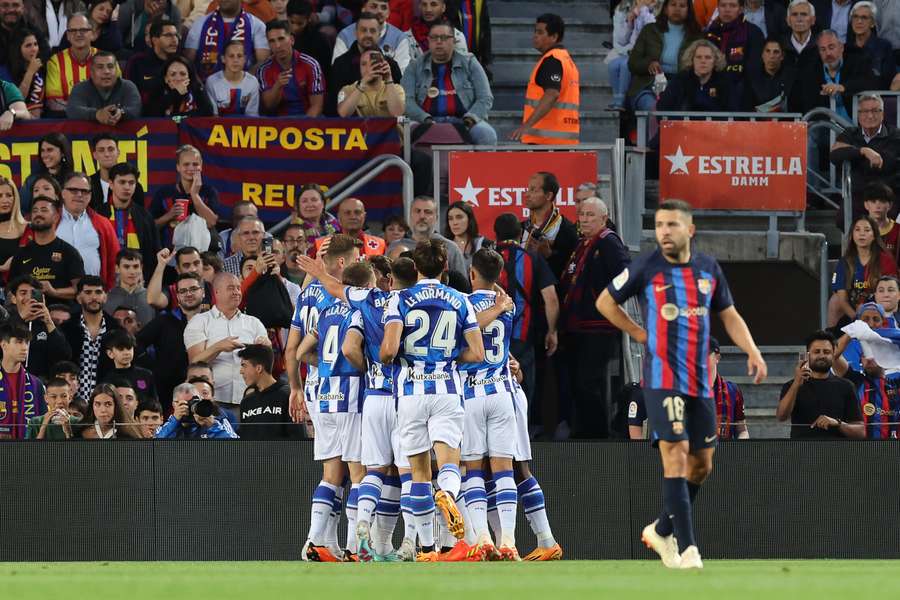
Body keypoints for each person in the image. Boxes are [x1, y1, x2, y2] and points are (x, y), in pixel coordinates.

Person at [596, 198, 767, 569]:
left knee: (702, 464)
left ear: (690, 229)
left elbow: (730, 314)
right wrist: (639, 333)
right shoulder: (645, 266)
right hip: (662, 378)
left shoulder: (707, 268)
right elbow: (605, 303)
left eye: (672, 225)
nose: (664, 232)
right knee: (676, 454)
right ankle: (688, 548)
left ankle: (661, 528)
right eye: (659, 225)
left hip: (699, 382)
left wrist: (752, 351)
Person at [379, 239, 485, 562]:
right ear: (445, 269)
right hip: (446, 389)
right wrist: (451, 359)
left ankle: (426, 548)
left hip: (411, 390)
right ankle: (449, 493)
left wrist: (394, 359)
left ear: (414, 268)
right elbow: (477, 353)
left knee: (418, 474)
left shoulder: (399, 299)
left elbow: (388, 350)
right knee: (450, 463)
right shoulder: (460, 300)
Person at [286, 235, 361, 562]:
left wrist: (295, 387)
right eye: (357, 257)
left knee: (333, 471)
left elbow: (293, 349)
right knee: (358, 471)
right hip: (350, 389)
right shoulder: (347, 297)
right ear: (342, 263)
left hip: (318, 390)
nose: (361, 263)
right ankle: (358, 546)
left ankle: (319, 541)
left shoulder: (307, 295)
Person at [457, 248, 521, 560]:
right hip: (501, 393)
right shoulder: (508, 304)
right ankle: (508, 538)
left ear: (471, 273)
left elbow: (463, 336)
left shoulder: (464, 305)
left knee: (473, 470)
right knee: (503, 467)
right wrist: (499, 301)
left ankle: (483, 536)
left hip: (470, 394)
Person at [558, 197, 630, 439]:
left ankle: (597, 435)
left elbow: (625, 276)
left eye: (591, 215)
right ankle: (583, 431)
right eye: (582, 214)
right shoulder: (583, 243)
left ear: (604, 217)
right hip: (577, 325)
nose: (585, 219)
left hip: (598, 325)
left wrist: (603, 299)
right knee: (577, 382)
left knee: (588, 382)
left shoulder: (608, 242)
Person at [492, 213, 560, 414]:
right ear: (520, 233)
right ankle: (523, 435)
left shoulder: (485, 260)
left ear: (495, 234)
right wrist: (552, 331)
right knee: (523, 388)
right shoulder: (532, 258)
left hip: (490, 336)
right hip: (522, 335)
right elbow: (551, 299)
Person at [184, 272, 270, 413]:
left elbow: (266, 363)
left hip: (250, 399)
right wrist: (218, 347)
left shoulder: (254, 323)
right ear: (216, 292)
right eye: (231, 288)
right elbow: (195, 363)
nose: (236, 292)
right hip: (213, 401)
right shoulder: (199, 322)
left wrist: (266, 346)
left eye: (238, 288)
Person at [400, 21, 497, 146]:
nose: (439, 41)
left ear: (454, 41)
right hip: (424, 120)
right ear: (428, 41)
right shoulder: (414, 66)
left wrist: (470, 119)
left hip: (465, 120)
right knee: (404, 133)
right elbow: (406, 100)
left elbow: (485, 98)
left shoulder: (469, 62)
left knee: (487, 134)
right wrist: (425, 119)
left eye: (444, 37)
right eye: (434, 38)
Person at [776, 329, 865, 438]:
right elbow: (781, 416)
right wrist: (796, 383)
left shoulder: (846, 386)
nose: (822, 355)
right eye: (816, 351)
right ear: (807, 355)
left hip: (837, 452)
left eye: (826, 352)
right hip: (801, 451)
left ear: (833, 355)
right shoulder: (791, 385)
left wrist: (837, 423)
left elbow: (861, 432)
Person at [137, 272, 204, 411]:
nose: (188, 294)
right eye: (183, 291)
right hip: (167, 394)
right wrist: (155, 368)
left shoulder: (213, 320)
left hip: (204, 389)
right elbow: (137, 343)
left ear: (202, 292)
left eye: (193, 289)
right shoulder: (165, 320)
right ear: (178, 297)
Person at [510, 14, 579, 145]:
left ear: (554, 37)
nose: (535, 36)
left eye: (540, 32)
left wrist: (527, 125)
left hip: (545, 141)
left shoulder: (552, 60)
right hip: (565, 140)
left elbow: (552, 94)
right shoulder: (566, 59)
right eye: (535, 31)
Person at [628, 0, 703, 117]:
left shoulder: (697, 35)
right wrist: (649, 64)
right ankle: (655, 136)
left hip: (682, 87)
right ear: (665, 8)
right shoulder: (650, 30)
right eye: (673, 4)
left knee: (683, 110)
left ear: (689, 11)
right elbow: (632, 63)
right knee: (653, 108)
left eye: (682, 6)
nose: (677, 9)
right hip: (648, 85)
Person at [831, 94, 900, 213]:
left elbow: (887, 162)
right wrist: (864, 151)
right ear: (858, 115)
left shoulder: (895, 135)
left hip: (886, 194)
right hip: (858, 195)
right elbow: (835, 155)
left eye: (875, 111)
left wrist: (853, 155)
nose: (870, 115)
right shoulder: (850, 133)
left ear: (882, 114)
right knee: (842, 218)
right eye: (864, 111)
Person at [9, 196, 84, 303]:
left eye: (44, 210)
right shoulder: (21, 254)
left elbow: (81, 291)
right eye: (35, 211)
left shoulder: (69, 253)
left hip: (61, 316)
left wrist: (54, 292)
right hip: (28, 315)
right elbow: (11, 290)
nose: (38, 214)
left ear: (56, 217)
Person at [326, 12, 402, 116]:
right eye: (363, 30)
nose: (368, 35)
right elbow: (333, 106)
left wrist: (388, 79)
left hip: (386, 128)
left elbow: (400, 111)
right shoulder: (341, 64)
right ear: (355, 33)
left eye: (372, 31)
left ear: (379, 34)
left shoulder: (390, 65)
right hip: (350, 127)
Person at [790, 29, 877, 118]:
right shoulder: (810, 71)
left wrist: (843, 87)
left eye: (831, 47)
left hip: (854, 125)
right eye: (823, 49)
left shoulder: (857, 62)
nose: (828, 53)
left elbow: (868, 82)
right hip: (822, 126)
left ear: (841, 48)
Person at [829, 214, 898, 326]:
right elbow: (842, 299)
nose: (862, 234)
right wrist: (857, 318)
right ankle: (831, 339)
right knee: (835, 300)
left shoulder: (886, 260)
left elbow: (892, 291)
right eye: (857, 230)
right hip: (854, 310)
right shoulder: (845, 262)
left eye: (867, 230)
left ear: (874, 235)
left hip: (880, 307)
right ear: (852, 235)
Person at [61, 276, 123, 400]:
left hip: (105, 403)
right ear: (78, 298)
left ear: (105, 296)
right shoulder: (66, 329)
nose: (94, 297)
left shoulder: (116, 330)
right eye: (88, 292)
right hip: (72, 401)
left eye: (98, 292)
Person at [56, 172, 120, 290]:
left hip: (93, 297)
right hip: (56, 294)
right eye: (73, 190)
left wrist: (108, 292)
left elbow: (114, 261)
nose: (79, 195)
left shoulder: (103, 224)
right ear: (63, 193)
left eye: (85, 191)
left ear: (90, 196)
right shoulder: (50, 221)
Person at [150, 144, 220, 248]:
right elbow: (150, 226)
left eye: (195, 164)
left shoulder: (209, 192)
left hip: (203, 253)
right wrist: (169, 215)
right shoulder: (164, 193)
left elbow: (211, 222)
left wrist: (195, 195)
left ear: (201, 166)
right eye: (186, 164)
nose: (191, 168)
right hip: (171, 253)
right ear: (178, 167)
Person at [5, 274, 72, 379]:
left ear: (42, 297)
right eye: (23, 293)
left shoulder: (47, 323)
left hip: (39, 384)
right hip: (7, 380)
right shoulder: (6, 320)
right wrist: (21, 318)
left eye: (33, 293)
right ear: (14, 298)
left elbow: (64, 355)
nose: (28, 298)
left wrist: (48, 321)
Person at [387, 195, 468, 282]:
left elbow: (462, 286)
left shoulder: (451, 248)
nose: (422, 216)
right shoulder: (395, 247)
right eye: (417, 211)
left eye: (427, 212)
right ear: (410, 215)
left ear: (436, 217)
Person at [183, 0, 270, 81]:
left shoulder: (256, 24)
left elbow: (262, 62)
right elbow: (188, 61)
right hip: (205, 87)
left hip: (243, 87)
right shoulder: (200, 23)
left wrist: (243, 82)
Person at [103, 163, 160, 280]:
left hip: (138, 283)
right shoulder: (98, 214)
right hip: (106, 281)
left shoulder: (145, 217)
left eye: (131, 183)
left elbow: (154, 254)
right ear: (111, 184)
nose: (127, 187)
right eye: (122, 182)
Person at [257, 19, 324, 116]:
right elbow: (269, 106)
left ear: (291, 40)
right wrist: (278, 85)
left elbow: (317, 106)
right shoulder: (263, 70)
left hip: (308, 123)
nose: (277, 45)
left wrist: (301, 128)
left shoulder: (311, 65)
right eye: (272, 41)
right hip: (278, 125)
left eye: (281, 39)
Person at [44, 14, 107, 116]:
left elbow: (116, 96)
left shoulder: (107, 60)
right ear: (67, 36)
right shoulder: (55, 62)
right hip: (68, 123)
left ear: (92, 34)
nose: (78, 34)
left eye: (83, 30)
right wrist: (90, 113)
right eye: (73, 31)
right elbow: (53, 102)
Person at [521, 171, 578, 280]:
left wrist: (549, 255)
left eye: (533, 190)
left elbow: (570, 274)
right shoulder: (522, 227)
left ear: (548, 195)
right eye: (528, 189)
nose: (527, 194)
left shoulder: (567, 230)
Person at [238, 343, 301, 439]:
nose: (241, 371)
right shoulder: (246, 402)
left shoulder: (288, 396)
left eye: (244, 365)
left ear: (259, 368)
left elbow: (299, 438)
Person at [703, 0, 765, 95]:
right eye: (723, 5)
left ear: (741, 9)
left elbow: (755, 69)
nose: (727, 10)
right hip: (712, 90)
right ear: (718, 8)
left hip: (742, 90)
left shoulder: (753, 32)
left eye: (732, 6)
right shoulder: (709, 33)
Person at [657, 38, 736, 111]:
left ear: (715, 60)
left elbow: (732, 112)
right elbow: (662, 108)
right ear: (692, 59)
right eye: (698, 57)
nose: (703, 61)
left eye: (708, 57)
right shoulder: (680, 80)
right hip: (683, 125)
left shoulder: (724, 82)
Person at [607, 0, 659, 111]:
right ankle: (617, 100)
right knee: (613, 65)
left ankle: (622, 101)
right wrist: (629, 22)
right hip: (630, 51)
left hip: (648, 52)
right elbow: (622, 40)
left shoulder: (656, 10)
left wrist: (643, 11)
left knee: (626, 65)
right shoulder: (625, 8)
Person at [65, 50, 142, 123]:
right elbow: (72, 110)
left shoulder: (128, 86)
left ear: (116, 70)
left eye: (110, 66)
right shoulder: (80, 88)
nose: (106, 71)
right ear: (91, 72)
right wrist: (97, 114)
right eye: (100, 67)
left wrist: (121, 113)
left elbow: (136, 109)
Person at [332, 0, 410, 72]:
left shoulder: (399, 38)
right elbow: (338, 71)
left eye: (383, 8)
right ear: (363, 9)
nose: (379, 11)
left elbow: (403, 75)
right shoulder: (345, 35)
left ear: (388, 13)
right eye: (374, 6)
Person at [0, 323, 46, 439]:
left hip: (27, 451)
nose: (25, 347)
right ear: (4, 345)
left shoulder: (36, 384)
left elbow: (43, 421)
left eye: (26, 342)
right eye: (19, 342)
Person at [124, 17, 181, 103]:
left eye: (176, 35)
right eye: (168, 35)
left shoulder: (182, 63)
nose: (174, 40)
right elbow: (129, 95)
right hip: (147, 114)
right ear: (154, 40)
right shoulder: (137, 62)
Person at [336, 47, 403, 119]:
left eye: (373, 63)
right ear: (359, 68)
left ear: (383, 64)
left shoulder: (396, 89)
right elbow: (343, 114)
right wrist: (363, 83)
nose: (368, 68)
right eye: (364, 64)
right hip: (362, 130)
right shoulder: (347, 90)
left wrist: (388, 79)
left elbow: (397, 113)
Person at [155, 382, 238, 438]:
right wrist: (174, 420)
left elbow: (236, 447)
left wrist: (212, 426)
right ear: (174, 405)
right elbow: (154, 445)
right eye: (185, 403)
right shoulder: (169, 425)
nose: (191, 407)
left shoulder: (216, 420)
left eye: (193, 402)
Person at [88, 133, 146, 214]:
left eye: (111, 149)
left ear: (118, 152)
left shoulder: (135, 187)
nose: (107, 154)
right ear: (94, 155)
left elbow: (140, 217)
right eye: (101, 150)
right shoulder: (88, 184)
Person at [145, 55, 215, 117]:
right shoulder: (157, 90)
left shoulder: (197, 89)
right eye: (173, 74)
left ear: (189, 77)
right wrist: (175, 93)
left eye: (183, 74)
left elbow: (208, 113)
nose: (178, 78)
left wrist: (175, 117)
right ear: (166, 79)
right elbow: (150, 114)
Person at [845, 2, 896, 88]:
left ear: (872, 23)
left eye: (864, 17)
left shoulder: (884, 47)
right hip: (850, 99)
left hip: (878, 97)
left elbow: (886, 80)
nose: (859, 21)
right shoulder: (846, 49)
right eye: (855, 17)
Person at [147, 246, 214, 311]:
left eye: (196, 263)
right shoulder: (172, 290)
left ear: (202, 264)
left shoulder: (212, 288)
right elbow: (153, 300)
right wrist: (161, 265)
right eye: (186, 265)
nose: (193, 269)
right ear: (178, 269)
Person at [313, 197, 386, 257]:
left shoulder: (380, 245)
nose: (353, 217)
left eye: (357, 212)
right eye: (347, 213)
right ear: (339, 217)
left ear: (364, 216)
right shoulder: (321, 245)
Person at [205, 38, 261, 115]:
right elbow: (213, 116)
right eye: (231, 56)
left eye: (239, 56)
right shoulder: (212, 81)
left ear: (245, 59)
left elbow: (252, 116)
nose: (235, 60)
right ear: (223, 59)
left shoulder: (252, 82)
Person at [19, 132, 71, 214]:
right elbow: (23, 211)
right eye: (42, 151)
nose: (45, 155)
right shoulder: (32, 180)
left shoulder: (73, 180)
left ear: (62, 152)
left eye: (50, 150)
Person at [99, 329, 157, 403]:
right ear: (110, 353)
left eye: (129, 348)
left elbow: (154, 403)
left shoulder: (146, 375)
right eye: (121, 349)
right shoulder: (107, 382)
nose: (126, 353)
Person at [104, 250, 154, 328]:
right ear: (117, 269)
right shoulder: (106, 298)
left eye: (135, 266)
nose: (132, 272)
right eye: (126, 267)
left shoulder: (152, 298)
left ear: (141, 268)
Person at [743, 37, 796, 112]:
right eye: (768, 51)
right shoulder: (751, 77)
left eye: (776, 52)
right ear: (762, 55)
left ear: (782, 56)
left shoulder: (792, 77)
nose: (771, 56)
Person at [3, 28, 45, 118]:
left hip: (40, 124)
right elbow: (17, 100)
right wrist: (30, 73)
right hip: (17, 123)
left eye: (35, 44)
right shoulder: (6, 71)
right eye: (28, 45)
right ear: (18, 48)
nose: (33, 49)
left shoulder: (42, 67)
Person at [286, 0, 332, 80]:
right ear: (287, 17)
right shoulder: (280, 35)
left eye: (300, 23)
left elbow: (324, 70)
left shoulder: (319, 41)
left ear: (308, 19)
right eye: (292, 22)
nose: (295, 28)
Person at [444, 200, 488, 272]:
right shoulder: (443, 245)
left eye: (459, 217)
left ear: (469, 219)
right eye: (450, 218)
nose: (455, 223)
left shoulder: (483, 244)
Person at [861, 182, 899, 264]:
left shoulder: (898, 230)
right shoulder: (858, 230)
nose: (877, 206)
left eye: (882, 201)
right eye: (873, 201)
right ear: (866, 205)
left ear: (890, 205)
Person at [781, 0, 819, 73]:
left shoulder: (821, 45)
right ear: (788, 21)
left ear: (813, 20)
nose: (799, 19)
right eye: (794, 14)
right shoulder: (780, 45)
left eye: (804, 14)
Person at [0, 177, 28, 274]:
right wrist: (2, 268)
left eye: (9, 195)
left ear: (15, 197)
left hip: (21, 286)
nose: (5, 200)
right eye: (0, 196)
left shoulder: (27, 228)